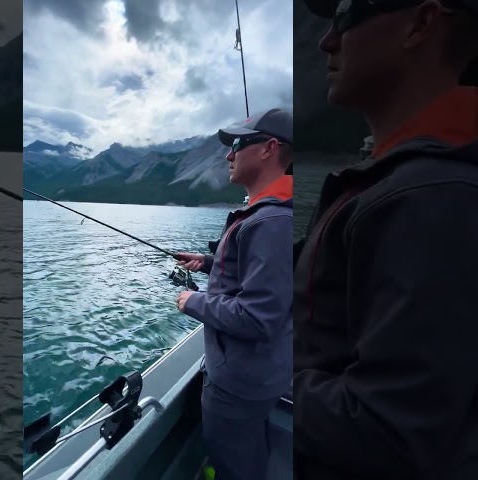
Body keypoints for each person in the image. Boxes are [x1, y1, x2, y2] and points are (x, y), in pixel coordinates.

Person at [294, 0, 478, 479]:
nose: (326, 41)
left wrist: (267, 372)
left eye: (346, 15)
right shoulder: (410, 180)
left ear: (420, 24)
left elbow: (390, 430)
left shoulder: (430, 195)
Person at [175, 108, 294, 479]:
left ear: (268, 149)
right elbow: (266, 279)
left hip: (239, 382)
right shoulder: (272, 214)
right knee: (251, 448)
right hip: (262, 373)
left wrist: (191, 301)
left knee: (233, 463)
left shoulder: (271, 220)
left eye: (238, 144)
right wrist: (210, 262)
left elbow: (257, 317)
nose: (228, 155)